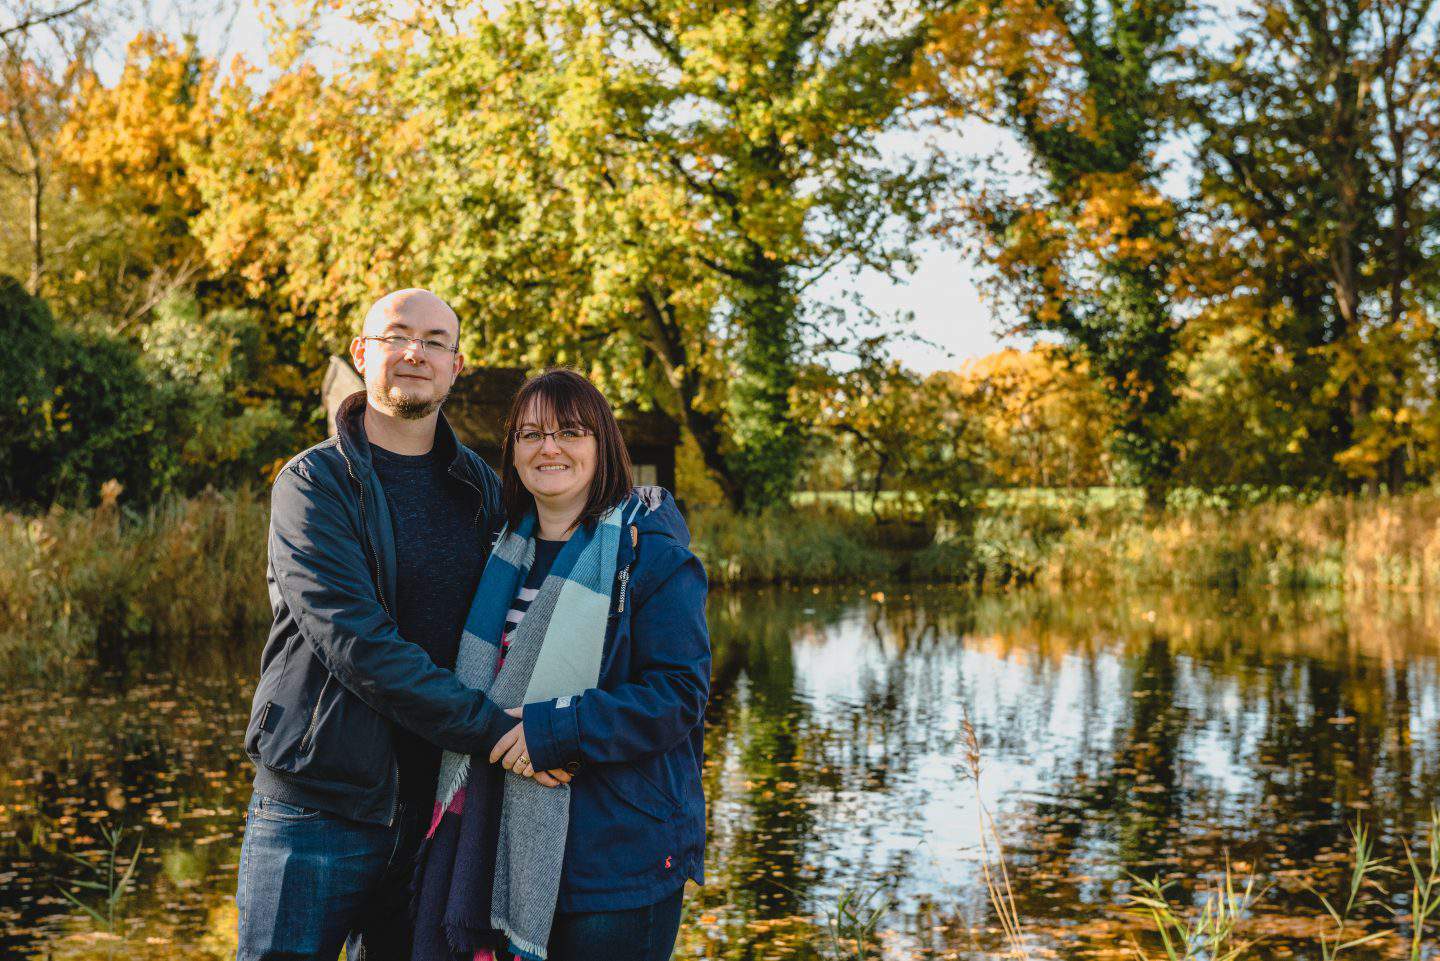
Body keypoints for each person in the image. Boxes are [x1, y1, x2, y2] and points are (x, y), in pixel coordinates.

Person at [236, 289, 518, 961]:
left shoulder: (481, 490)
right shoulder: (312, 484)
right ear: (364, 354)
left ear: (456, 366)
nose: (414, 352)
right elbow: (356, 643)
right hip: (315, 809)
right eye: (396, 336)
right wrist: (498, 731)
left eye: (434, 341)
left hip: (431, 815)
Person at [413, 368, 710, 961]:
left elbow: (678, 695)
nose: (549, 447)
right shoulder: (496, 552)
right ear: (513, 454)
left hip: (614, 861)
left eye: (570, 432)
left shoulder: (649, 555)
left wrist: (555, 731)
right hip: (497, 849)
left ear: (603, 446)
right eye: (530, 434)